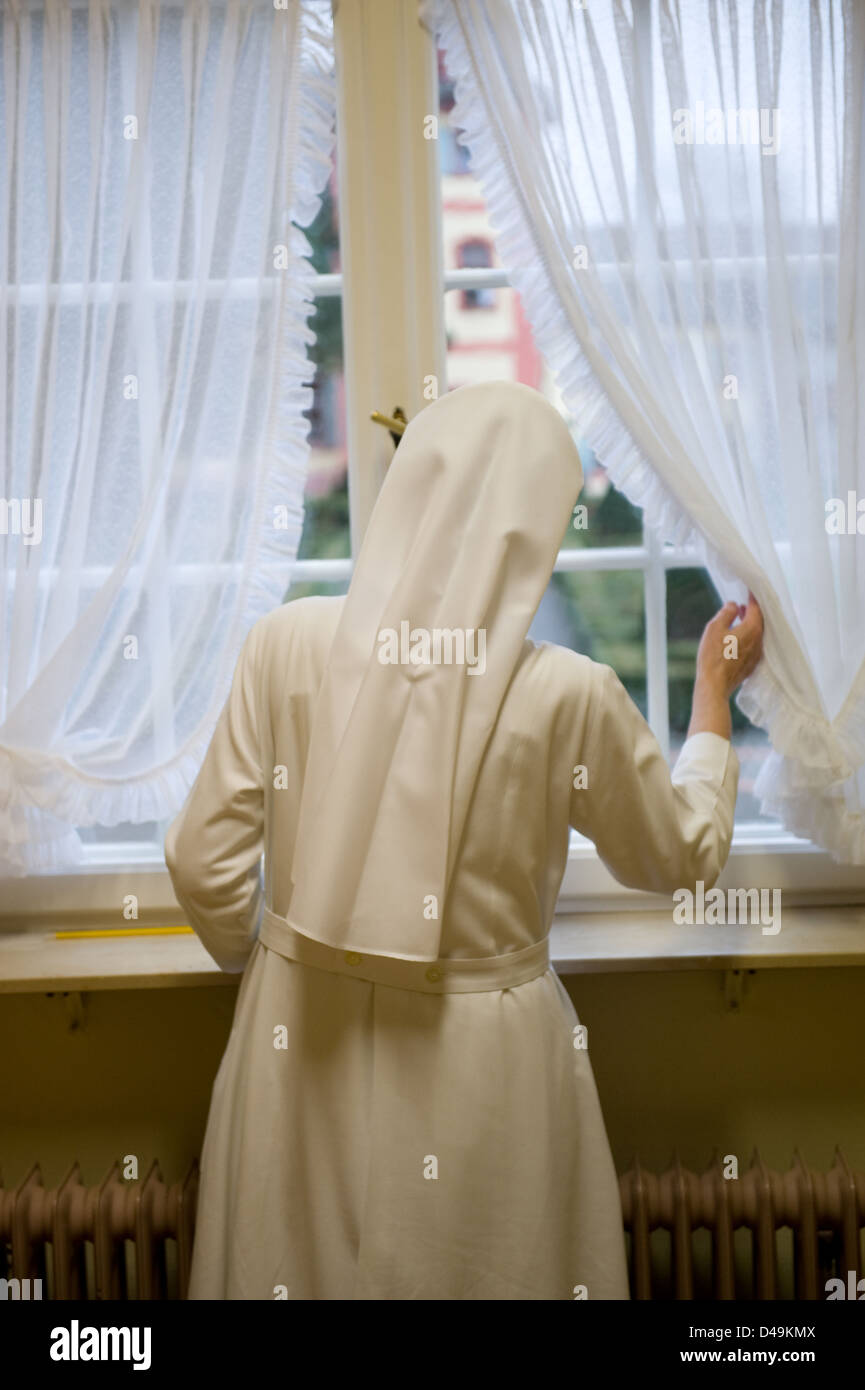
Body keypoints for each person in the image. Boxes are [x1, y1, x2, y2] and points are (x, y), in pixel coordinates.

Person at [165, 379, 763, 1300]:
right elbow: (678, 856)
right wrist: (712, 702)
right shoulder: (569, 693)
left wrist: (280, 954)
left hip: (295, 1036)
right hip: (486, 1058)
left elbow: (201, 861)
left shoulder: (282, 644)